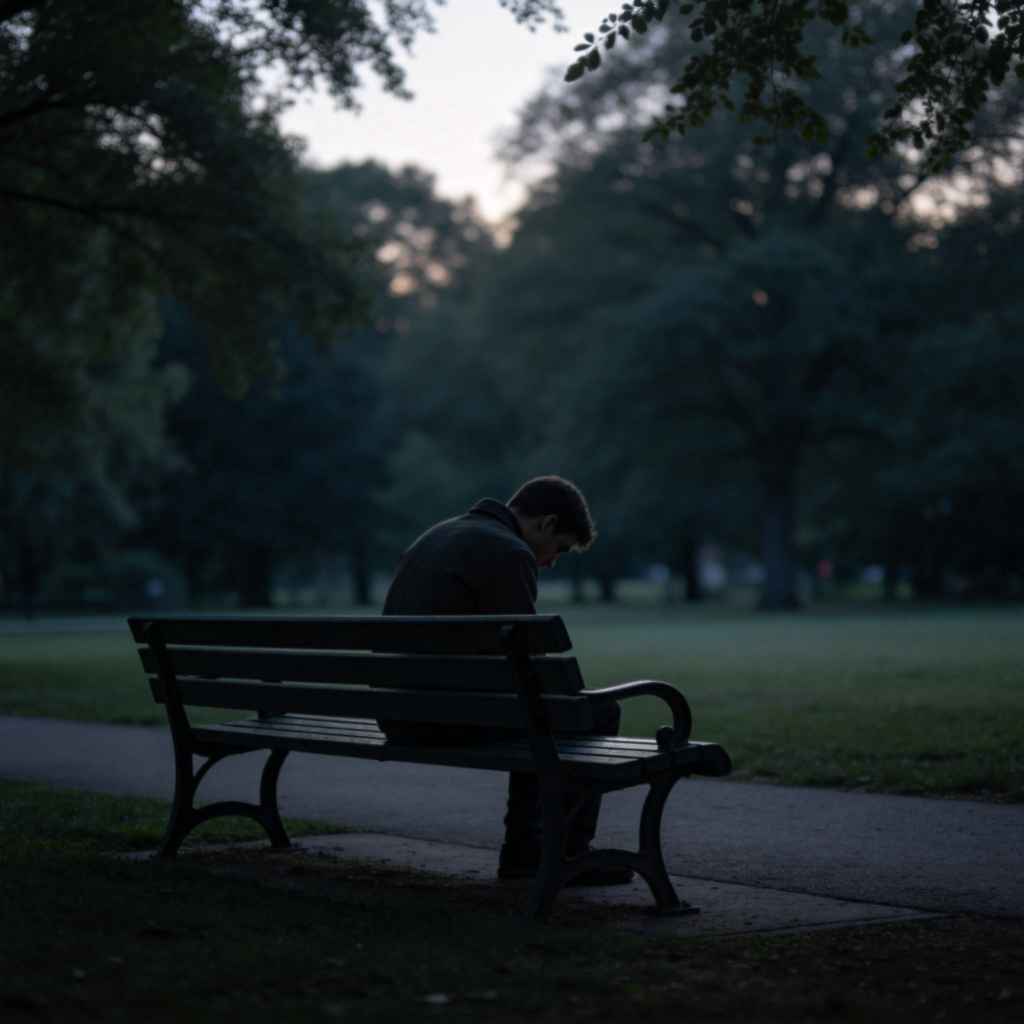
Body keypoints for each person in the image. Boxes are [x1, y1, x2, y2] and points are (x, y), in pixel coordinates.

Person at [380, 476, 633, 886]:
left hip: (394, 712)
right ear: (546, 523)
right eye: (561, 549)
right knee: (593, 711)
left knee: (543, 710)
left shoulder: (438, 533)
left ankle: (529, 847)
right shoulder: (508, 551)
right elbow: (527, 666)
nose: (551, 562)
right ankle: (558, 852)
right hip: (433, 717)